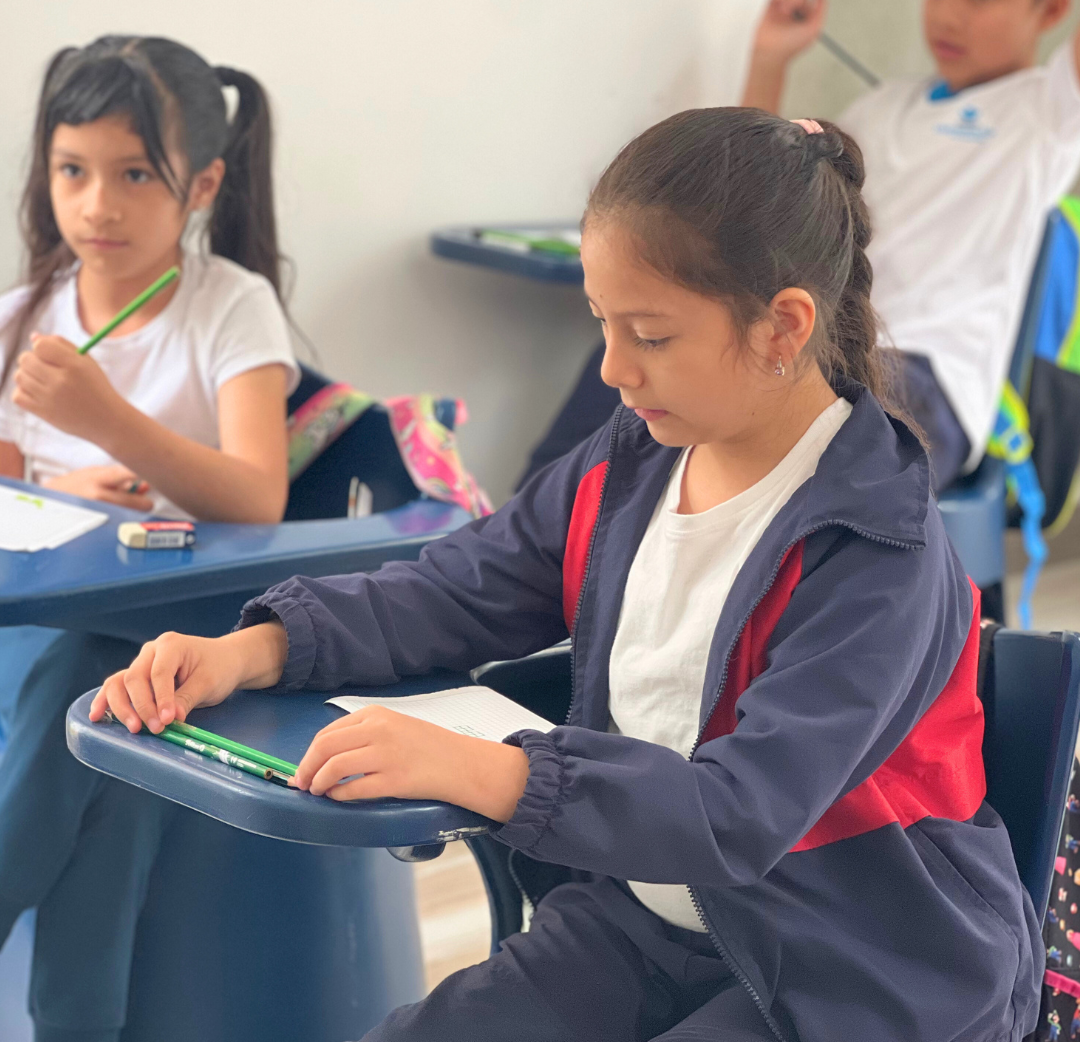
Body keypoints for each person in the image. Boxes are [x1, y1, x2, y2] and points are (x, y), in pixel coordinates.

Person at [96, 110, 1040, 1041]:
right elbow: (455, 590)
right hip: (650, 922)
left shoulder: (876, 548)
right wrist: (253, 651)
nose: (614, 369)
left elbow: (738, 811)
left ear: (781, 327)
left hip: (854, 967)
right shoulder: (631, 463)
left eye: (651, 335)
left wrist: (485, 770)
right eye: (602, 325)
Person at [0, 35, 298, 1042]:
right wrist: (59, 485)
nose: (98, 205)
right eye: (72, 171)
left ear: (202, 184)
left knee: (111, 719)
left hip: (168, 639)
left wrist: (108, 421)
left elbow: (258, 497)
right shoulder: (23, 319)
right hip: (40, 640)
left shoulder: (231, 307)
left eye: (134, 175)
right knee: (103, 724)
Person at [742, 0, 1080, 493]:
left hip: (927, 379)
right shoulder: (878, 110)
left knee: (809, 436)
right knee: (671, 364)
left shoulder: (1049, 112)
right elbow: (747, 195)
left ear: (1053, 9)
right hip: (825, 347)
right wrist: (770, 59)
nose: (947, 13)